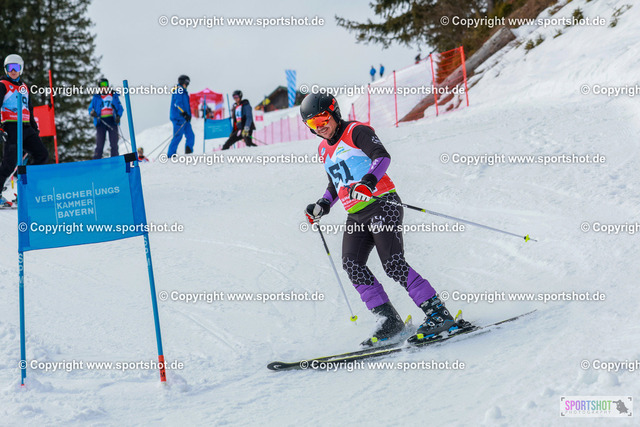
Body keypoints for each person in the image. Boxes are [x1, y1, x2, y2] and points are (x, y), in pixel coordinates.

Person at [301, 92, 460, 347]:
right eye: (312, 122)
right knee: (352, 264)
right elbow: (336, 182)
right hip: (356, 214)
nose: (320, 126)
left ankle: (439, 315)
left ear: (334, 112)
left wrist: (368, 182)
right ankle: (390, 321)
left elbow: (381, 156)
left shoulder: (356, 131)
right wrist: (323, 204)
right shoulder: (323, 149)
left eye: (322, 118)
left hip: (382, 204)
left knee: (393, 264)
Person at [0, 54, 49, 207]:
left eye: (16, 67)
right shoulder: (3, 85)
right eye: (10, 68)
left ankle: (26, 189)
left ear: (21, 69)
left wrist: (34, 128)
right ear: (6, 69)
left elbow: (29, 109)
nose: (13, 71)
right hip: (11, 127)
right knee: (9, 164)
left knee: (42, 155)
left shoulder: (24, 87)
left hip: (26, 128)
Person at [88, 78, 124, 159]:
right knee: (100, 143)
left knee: (114, 143)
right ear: (99, 87)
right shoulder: (96, 97)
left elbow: (120, 108)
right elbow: (90, 108)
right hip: (100, 121)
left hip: (112, 120)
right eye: (102, 85)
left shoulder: (113, 96)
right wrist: (92, 112)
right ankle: (97, 161)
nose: (104, 87)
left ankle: (115, 160)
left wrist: (118, 116)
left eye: (105, 84)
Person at [168, 75, 195, 157]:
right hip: (178, 118)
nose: (187, 85)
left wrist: (188, 115)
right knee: (178, 136)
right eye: (187, 83)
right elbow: (177, 104)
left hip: (185, 119)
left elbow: (186, 105)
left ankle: (188, 152)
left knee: (190, 135)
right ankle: (171, 155)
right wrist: (184, 113)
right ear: (184, 82)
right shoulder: (178, 90)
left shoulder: (184, 92)